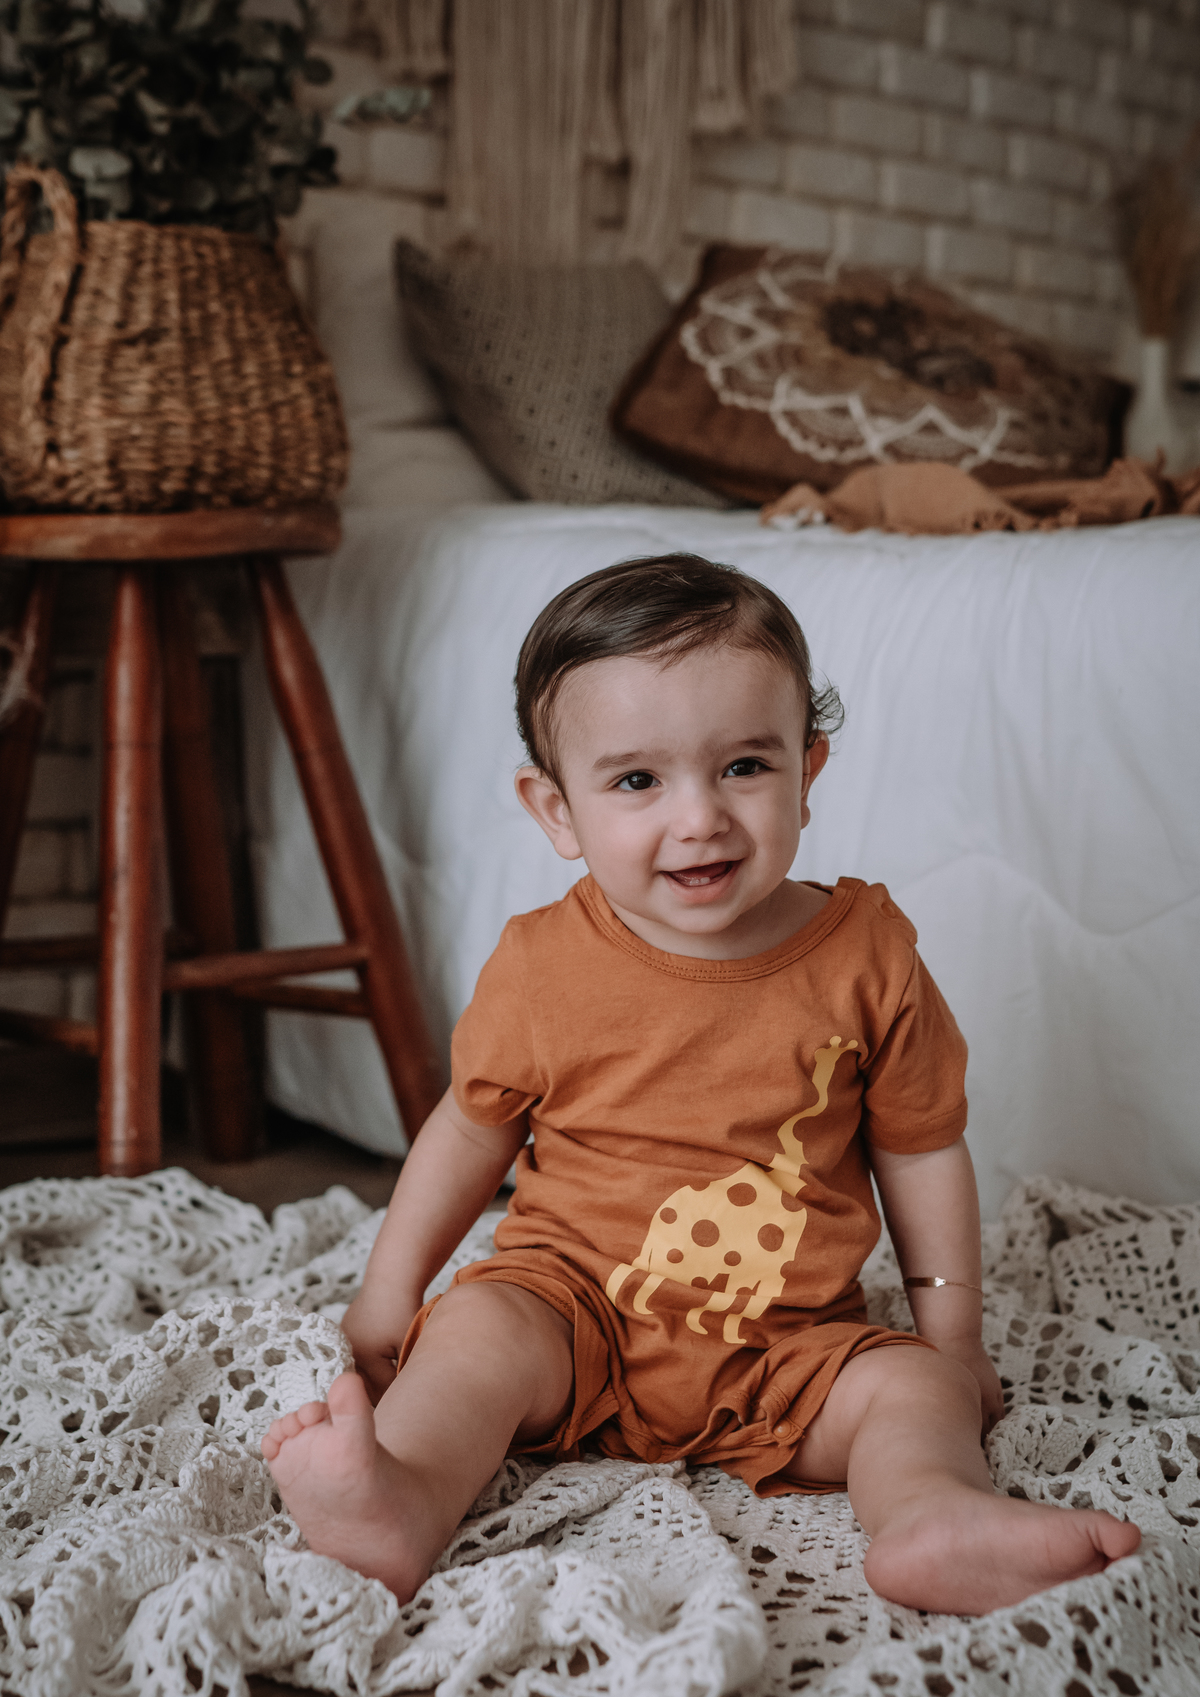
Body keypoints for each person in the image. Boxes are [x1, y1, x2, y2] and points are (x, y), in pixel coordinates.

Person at [263, 553, 1139, 1616]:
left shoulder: (868, 956)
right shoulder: (541, 964)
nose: (700, 819)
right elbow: (469, 1131)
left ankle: (931, 1513)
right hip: (571, 1310)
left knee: (911, 1390)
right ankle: (398, 1498)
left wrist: (951, 1337)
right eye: (638, 781)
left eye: (744, 767)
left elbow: (919, 1149)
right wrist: (387, 1295)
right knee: (472, 1338)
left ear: (808, 771)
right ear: (556, 810)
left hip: (788, 1344)